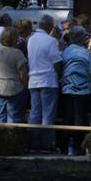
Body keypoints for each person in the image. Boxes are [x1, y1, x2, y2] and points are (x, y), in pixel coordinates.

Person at [27, 14, 62, 150]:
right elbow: (56, 62)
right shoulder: (50, 40)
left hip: (33, 80)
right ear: (49, 26)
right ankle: (47, 145)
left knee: (35, 113)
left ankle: (33, 143)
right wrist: (58, 77)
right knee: (48, 115)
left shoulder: (31, 39)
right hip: (48, 80)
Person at [60, 26, 91, 155]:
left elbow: (60, 68)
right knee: (80, 119)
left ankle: (64, 146)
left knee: (67, 117)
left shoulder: (65, 52)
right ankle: (77, 146)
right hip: (83, 90)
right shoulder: (86, 53)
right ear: (81, 38)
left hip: (67, 88)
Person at [0, 27, 28, 123]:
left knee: (0, 115)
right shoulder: (17, 53)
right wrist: (25, 86)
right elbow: (23, 73)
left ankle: (0, 135)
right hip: (13, 88)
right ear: (15, 39)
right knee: (14, 116)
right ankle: (13, 135)